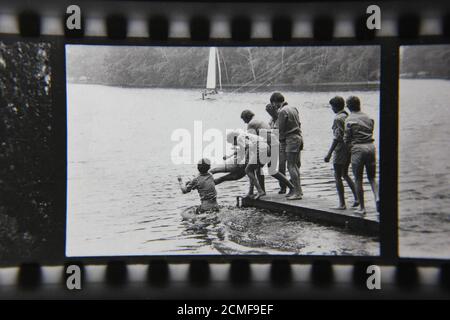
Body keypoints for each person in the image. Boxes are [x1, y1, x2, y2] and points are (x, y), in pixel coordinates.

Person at [226, 130, 294, 199]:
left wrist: (245, 160)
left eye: (232, 142)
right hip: (266, 147)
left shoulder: (239, 138)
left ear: (233, 138)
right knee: (259, 169)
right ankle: (260, 191)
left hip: (261, 149)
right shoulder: (244, 135)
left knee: (248, 170)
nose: (233, 144)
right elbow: (244, 149)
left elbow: (248, 148)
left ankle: (260, 191)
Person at [344, 96, 380, 215]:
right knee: (372, 177)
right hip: (371, 147)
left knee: (358, 178)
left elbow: (346, 138)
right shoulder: (369, 118)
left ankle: (362, 208)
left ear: (348, 106)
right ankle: (377, 198)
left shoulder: (349, 120)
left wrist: (350, 146)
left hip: (358, 148)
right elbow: (371, 131)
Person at [324, 96, 359, 210]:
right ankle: (357, 198)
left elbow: (337, 137)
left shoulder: (338, 118)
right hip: (349, 148)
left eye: (332, 106)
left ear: (334, 106)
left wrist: (329, 153)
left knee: (337, 176)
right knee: (345, 174)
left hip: (340, 149)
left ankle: (342, 204)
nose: (331, 109)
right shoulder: (347, 116)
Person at [271, 92, 303, 200]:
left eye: (273, 104)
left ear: (275, 102)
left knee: (290, 166)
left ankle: (297, 192)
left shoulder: (282, 111)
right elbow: (299, 124)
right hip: (298, 137)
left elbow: (280, 129)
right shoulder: (293, 108)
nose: (274, 106)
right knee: (295, 166)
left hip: (291, 139)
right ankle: (299, 190)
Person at [265, 103, 288, 194]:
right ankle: (286, 185)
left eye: (271, 111)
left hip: (283, 143)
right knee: (272, 168)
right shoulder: (271, 120)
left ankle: (284, 187)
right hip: (273, 144)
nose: (270, 114)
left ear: (275, 110)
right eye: (268, 112)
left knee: (282, 167)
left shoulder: (280, 117)